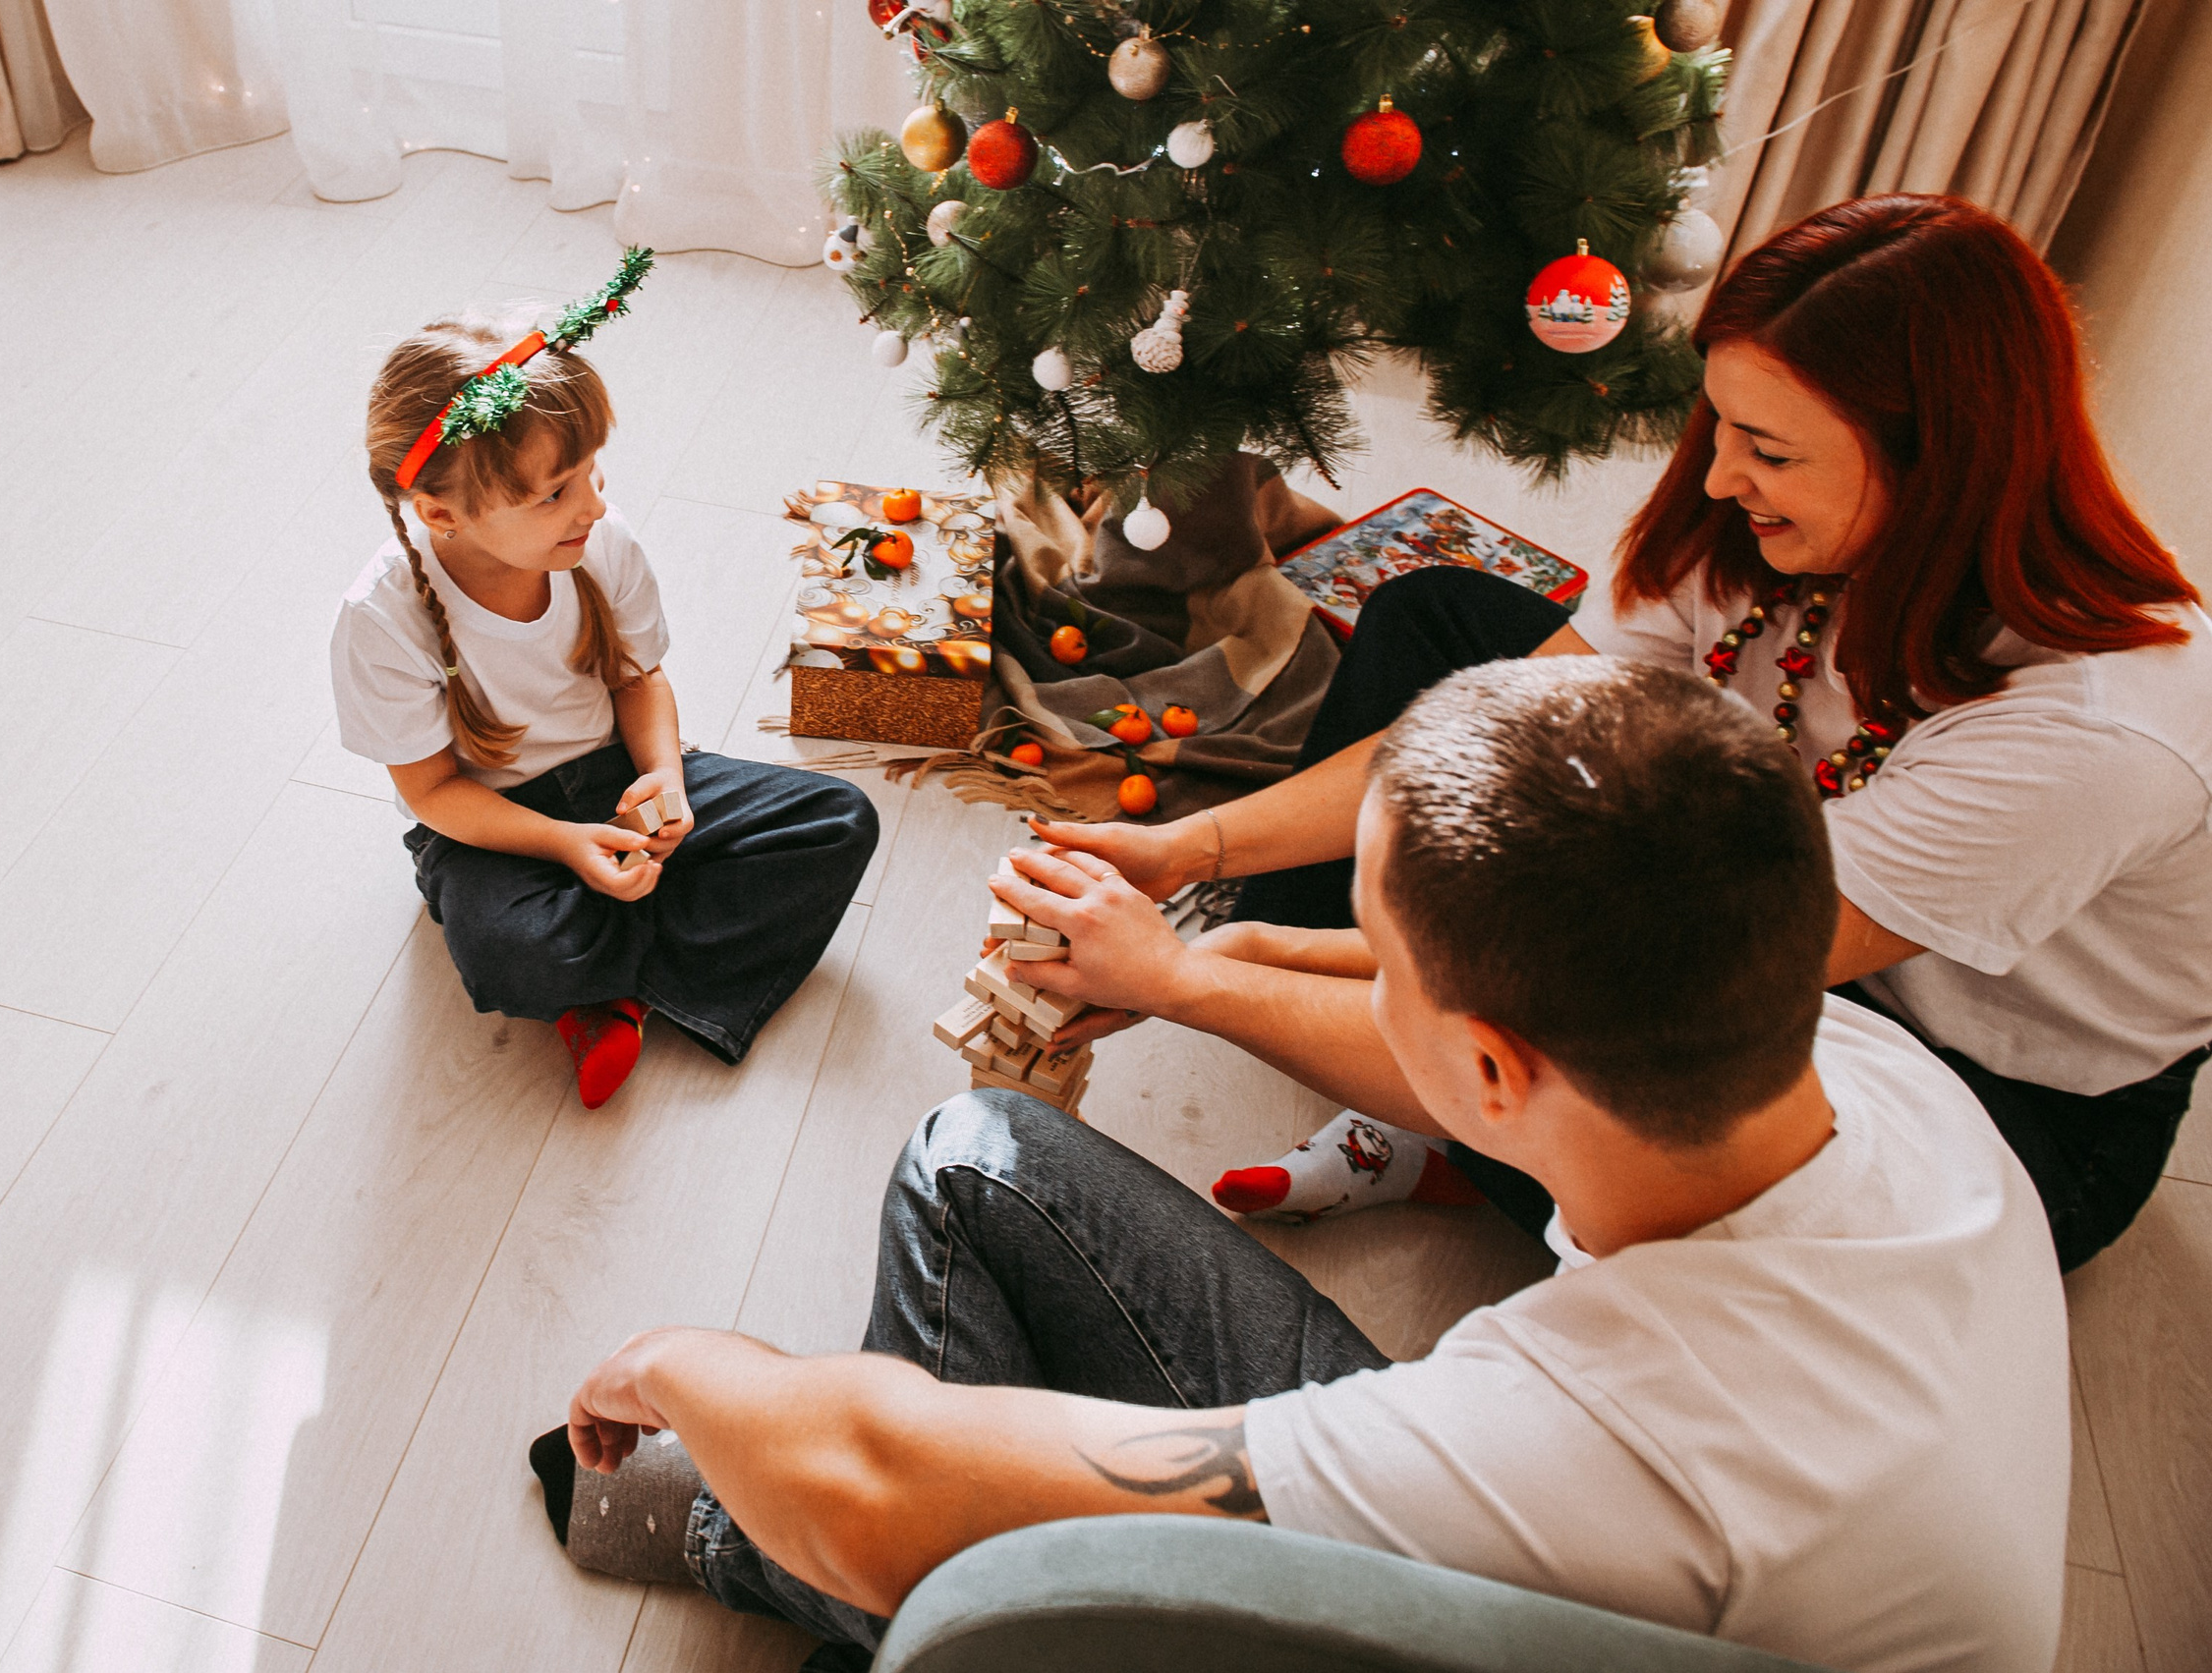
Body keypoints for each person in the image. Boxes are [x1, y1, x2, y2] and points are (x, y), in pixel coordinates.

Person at [532, 658, 2068, 1673]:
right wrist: (1205, 969)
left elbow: (875, 1488)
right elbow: (1487, 1057)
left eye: (1375, 953)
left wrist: (677, 1357)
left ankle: (755, 1550)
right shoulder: (1865, 1070)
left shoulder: (1578, 1439)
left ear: (1488, 1065)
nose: (1351, 978)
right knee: (978, 1158)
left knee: (942, 1570)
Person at [1033, 194, 2211, 1269]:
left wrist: (1200, 982)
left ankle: (1428, 1102)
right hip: (1751, 879)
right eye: (1724, 428)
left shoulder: (2093, 730)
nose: (1718, 480)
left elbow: (1661, 993)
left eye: (1771, 452)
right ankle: (1390, 1053)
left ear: (1940, 461)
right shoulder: (1761, 532)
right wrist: (1193, 852)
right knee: (1432, 624)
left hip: (1993, 1099)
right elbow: (1501, 726)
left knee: (1599, 1073)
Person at [331, 307, 878, 1107]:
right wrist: (563, 844)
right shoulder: (380, 619)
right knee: (511, 949)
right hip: (491, 823)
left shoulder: (599, 541)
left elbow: (637, 680)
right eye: (556, 492)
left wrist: (664, 778)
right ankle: (611, 961)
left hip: (619, 772)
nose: (590, 505)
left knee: (838, 819)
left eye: (592, 472)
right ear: (441, 514)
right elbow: (433, 793)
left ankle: (602, 983)